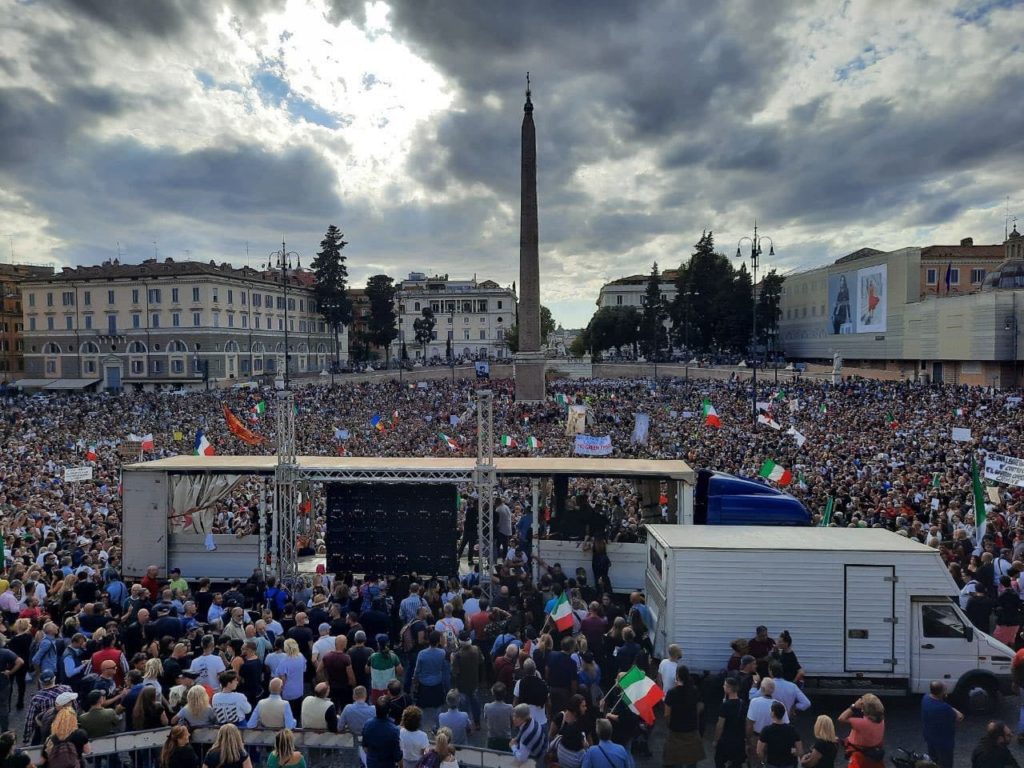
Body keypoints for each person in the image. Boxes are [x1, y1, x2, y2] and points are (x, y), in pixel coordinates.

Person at [662, 665, 703, 768]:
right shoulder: (694, 690)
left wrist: (669, 725)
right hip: (691, 730)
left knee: (674, 760)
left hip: (675, 731)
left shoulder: (671, 693)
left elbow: (667, 714)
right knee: (691, 760)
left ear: (677, 676)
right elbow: (700, 705)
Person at [921, 681, 963, 768]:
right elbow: (960, 717)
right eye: (945, 690)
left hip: (930, 737)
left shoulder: (925, 698)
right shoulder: (944, 709)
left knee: (933, 761)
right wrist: (955, 710)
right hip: (944, 742)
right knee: (946, 764)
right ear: (941, 692)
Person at [838, 694, 885, 768]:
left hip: (860, 756)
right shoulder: (881, 720)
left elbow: (841, 718)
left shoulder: (862, 723)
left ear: (864, 709)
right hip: (875, 754)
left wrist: (853, 706)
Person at [713, 677, 747, 768]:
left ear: (729, 688)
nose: (723, 686)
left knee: (719, 761)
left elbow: (720, 725)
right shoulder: (743, 703)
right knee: (736, 764)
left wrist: (716, 740)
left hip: (726, 740)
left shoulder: (725, 706)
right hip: (739, 740)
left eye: (724, 685)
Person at [758, 701, 802, 768]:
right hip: (789, 763)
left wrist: (763, 762)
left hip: (772, 763)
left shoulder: (766, 730)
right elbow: (799, 751)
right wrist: (791, 751)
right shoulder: (792, 730)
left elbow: (759, 750)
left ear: (772, 713)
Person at [550, 694, 590, 768]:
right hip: (560, 758)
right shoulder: (560, 717)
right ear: (576, 707)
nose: (585, 708)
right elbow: (551, 735)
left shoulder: (581, 719)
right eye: (583, 706)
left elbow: (587, 738)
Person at [363, 697, 402, 768]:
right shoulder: (394, 730)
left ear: (375, 708)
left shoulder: (367, 724)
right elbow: (397, 755)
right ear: (389, 710)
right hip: (387, 764)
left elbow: (365, 747)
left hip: (372, 762)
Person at [511, 702, 547, 767]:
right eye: (514, 715)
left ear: (524, 718)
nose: (514, 719)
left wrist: (513, 746)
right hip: (543, 748)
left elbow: (522, 758)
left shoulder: (526, 735)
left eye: (517, 717)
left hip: (537, 759)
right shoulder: (531, 720)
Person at [483, 683, 513, 752]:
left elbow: (486, 719)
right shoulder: (510, 707)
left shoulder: (487, 706)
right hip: (506, 739)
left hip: (492, 739)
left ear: (493, 694)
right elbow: (512, 723)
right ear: (505, 694)